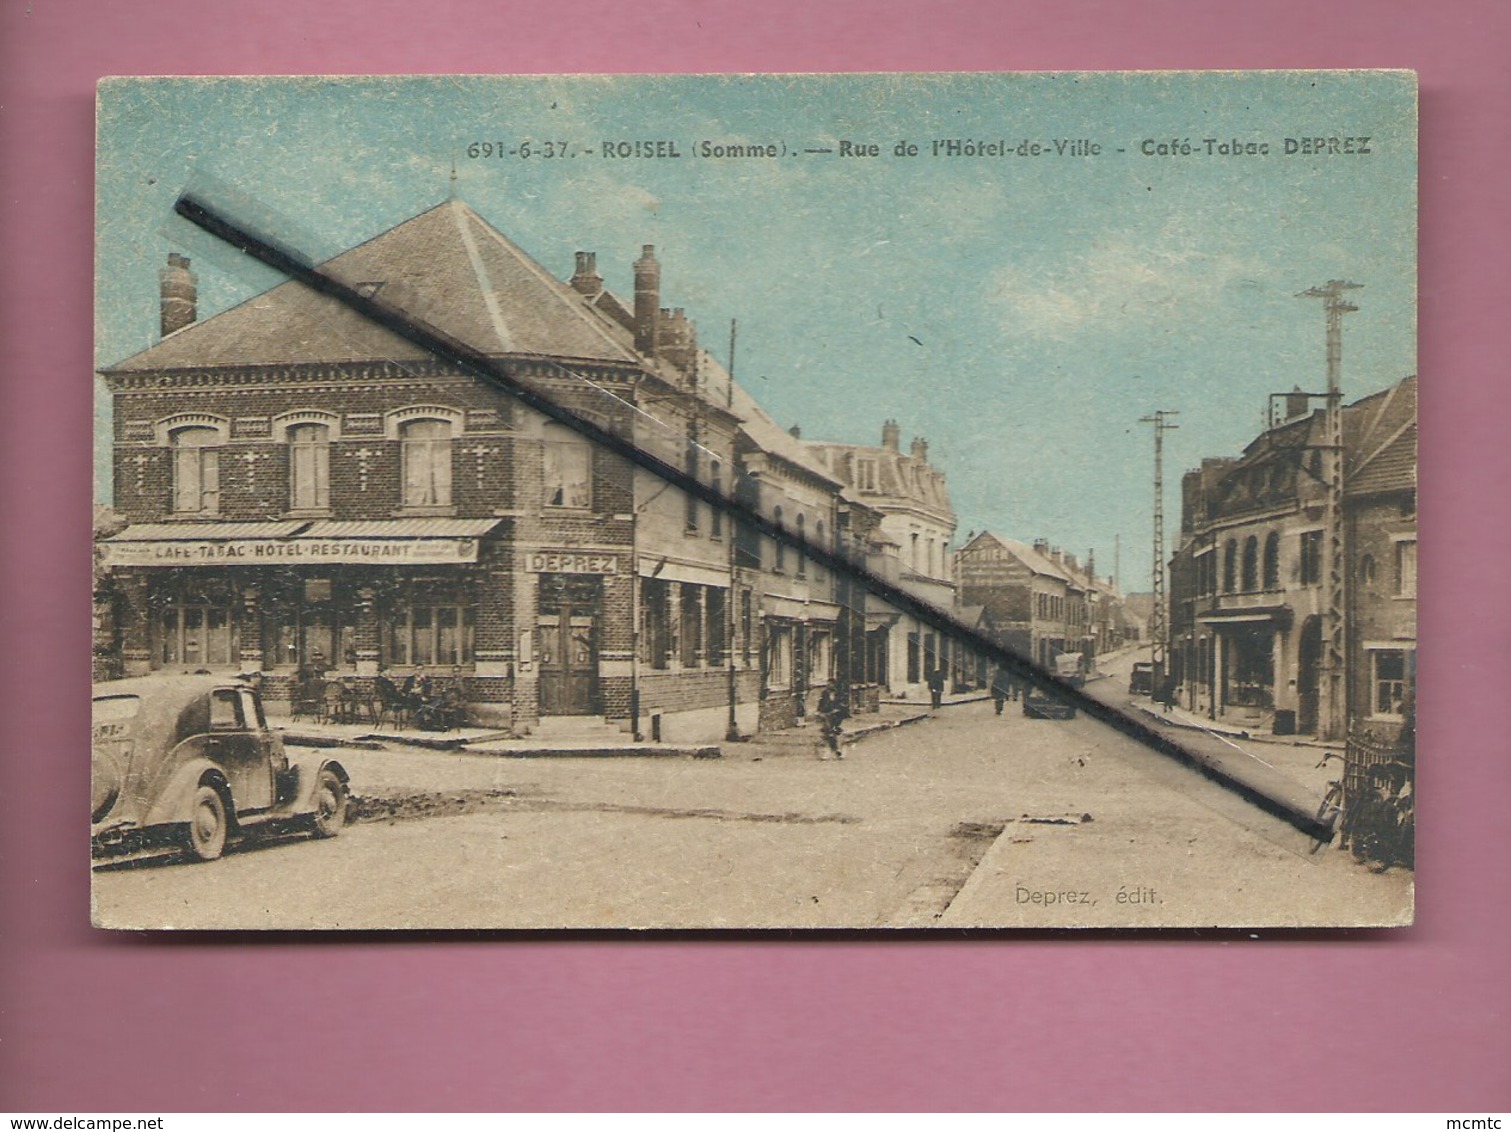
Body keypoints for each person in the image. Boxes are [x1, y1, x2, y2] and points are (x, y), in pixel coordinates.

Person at [816, 683, 850, 759]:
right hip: (827, 714)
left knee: (834, 730)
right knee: (827, 731)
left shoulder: (840, 694)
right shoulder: (824, 694)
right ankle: (828, 748)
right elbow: (821, 703)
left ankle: (838, 748)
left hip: (837, 715)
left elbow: (843, 704)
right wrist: (818, 711)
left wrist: (838, 709)